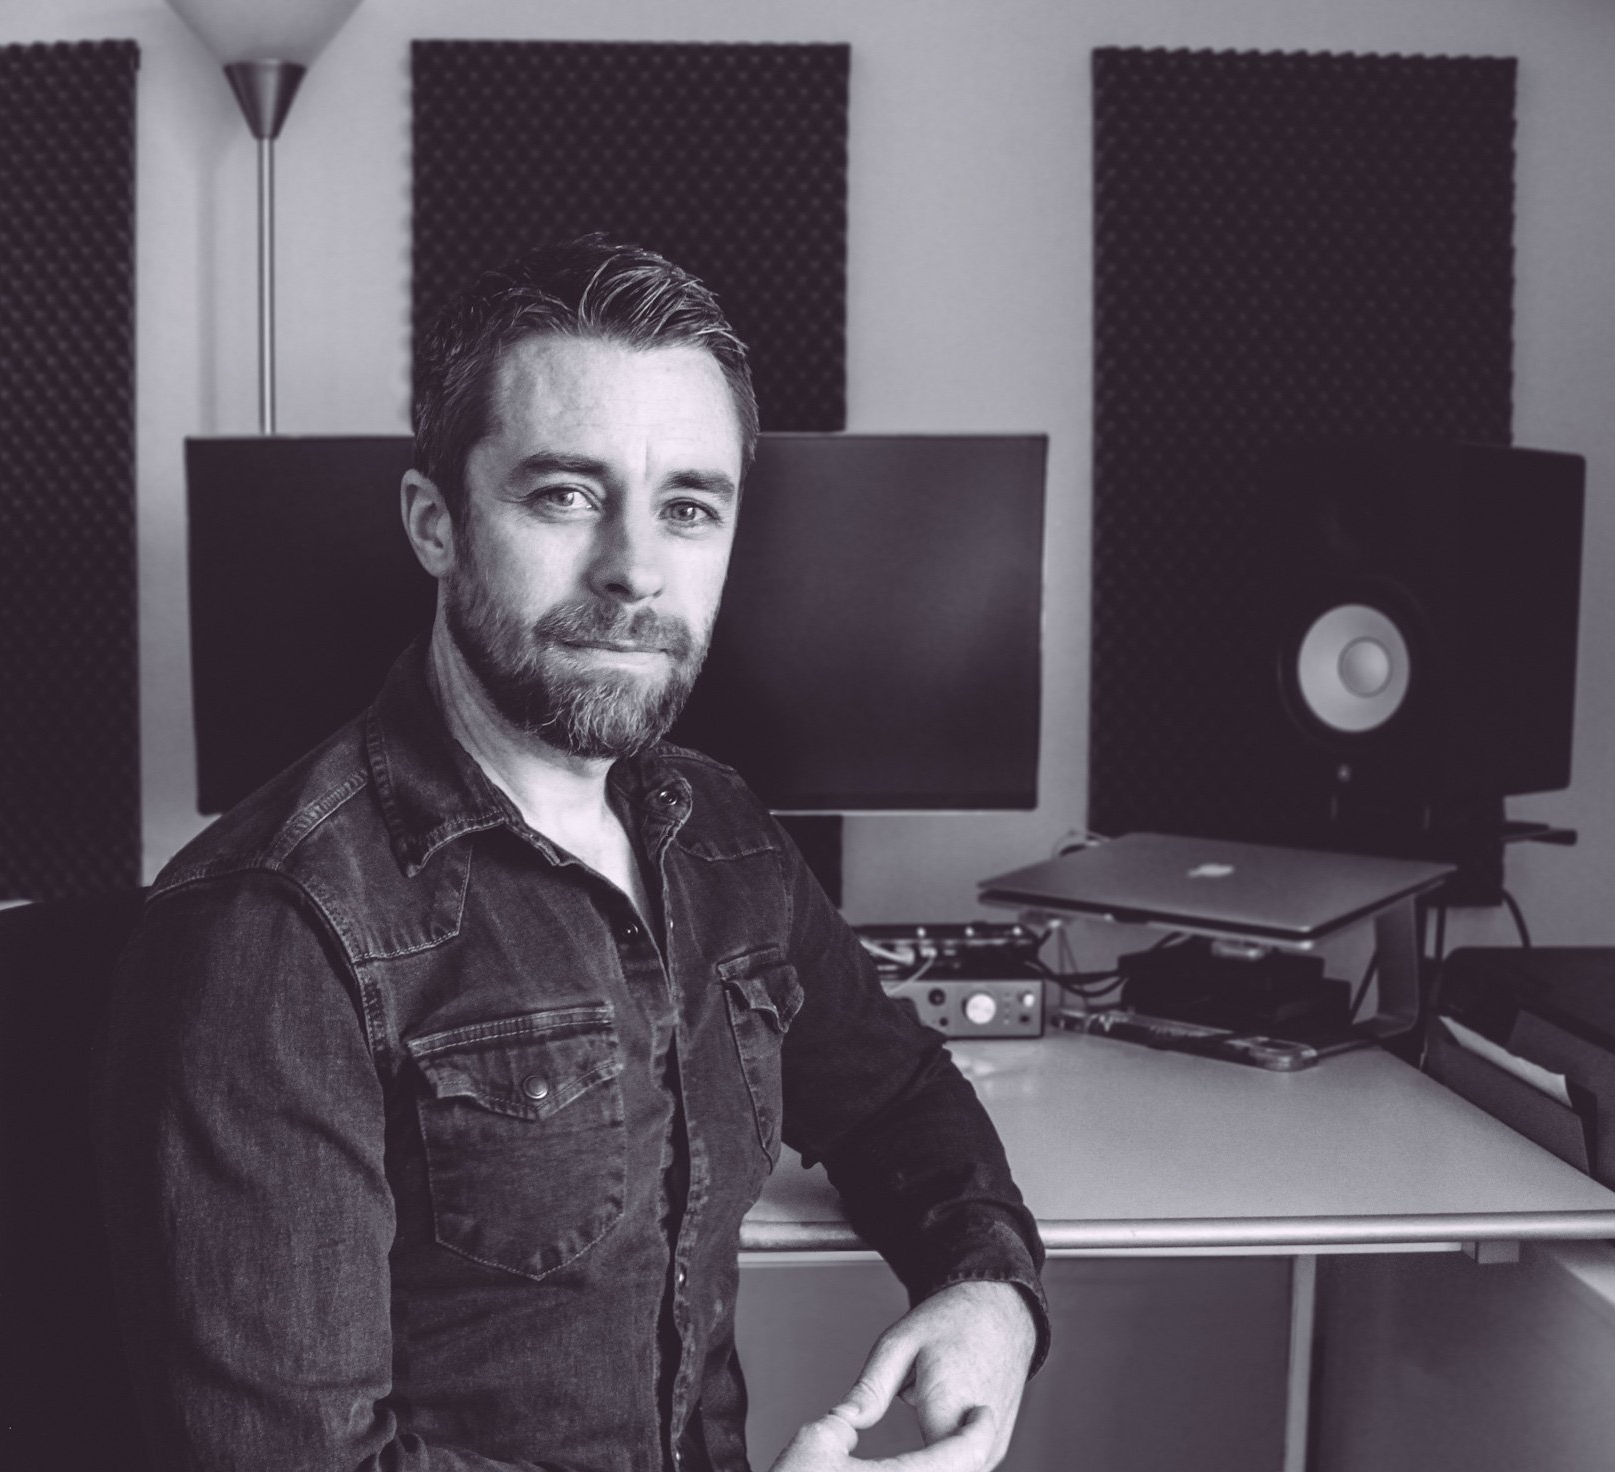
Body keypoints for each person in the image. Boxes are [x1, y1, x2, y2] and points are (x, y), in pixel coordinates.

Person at [92, 236, 1048, 1472]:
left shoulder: (722, 835)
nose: (636, 569)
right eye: (564, 494)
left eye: (687, 507)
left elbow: (896, 1093)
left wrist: (989, 1292)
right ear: (433, 521)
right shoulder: (277, 925)